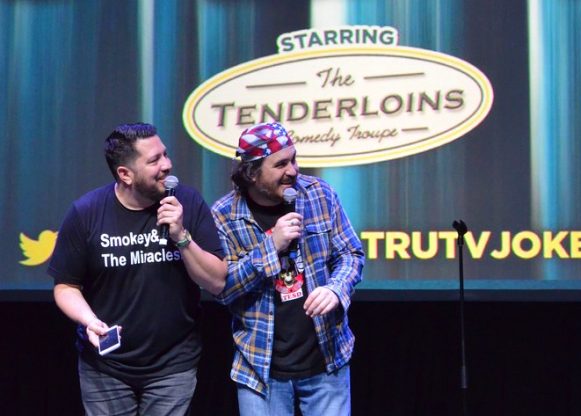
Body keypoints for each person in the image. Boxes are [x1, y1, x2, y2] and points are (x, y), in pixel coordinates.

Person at [48, 122, 227, 415]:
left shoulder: (188, 201)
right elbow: (66, 286)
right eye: (154, 160)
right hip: (106, 367)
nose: (167, 165)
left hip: (173, 364)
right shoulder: (87, 212)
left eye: (166, 154)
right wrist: (89, 320)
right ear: (125, 174)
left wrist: (182, 237)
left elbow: (217, 281)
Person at [211, 122, 364, 415]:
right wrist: (271, 247)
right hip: (261, 367)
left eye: (293, 159)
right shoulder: (224, 215)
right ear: (251, 173)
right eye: (280, 164)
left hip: (326, 359)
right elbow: (224, 288)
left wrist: (336, 288)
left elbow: (351, 254)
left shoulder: (319, 194)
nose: (293, 170)